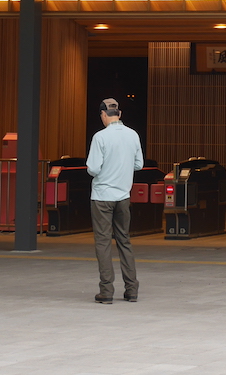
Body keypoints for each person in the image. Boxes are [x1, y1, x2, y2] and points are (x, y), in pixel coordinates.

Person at [86, 97, 143, 303]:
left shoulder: (100, 137)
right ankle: (132, 289)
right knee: (124, 240)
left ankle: (106, 291)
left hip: (102, 196)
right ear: (119, 114)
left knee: (103, 242)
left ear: (103, 115)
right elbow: (138, 164)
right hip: (123, 196)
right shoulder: (133, 135)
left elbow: (93, 168)